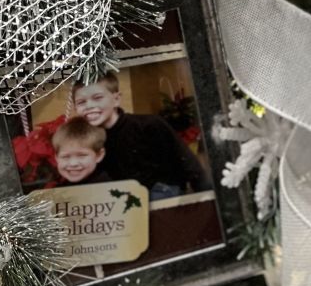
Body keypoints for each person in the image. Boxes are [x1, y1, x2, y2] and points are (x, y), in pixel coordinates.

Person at [72, 73, 211, 199]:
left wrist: (207, 200)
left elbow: (189, 164)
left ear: (116, 99)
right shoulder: (87, 141)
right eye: (81, 102)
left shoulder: (149, 125)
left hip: (165, 199)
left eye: (97, 98)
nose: (89, 106)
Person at [51, 118, 112, 186]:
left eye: (81, 155)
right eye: (65, 156)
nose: (73, 163)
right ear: (56, 157)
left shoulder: (106, 187)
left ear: (99, 155)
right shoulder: (61, 187)